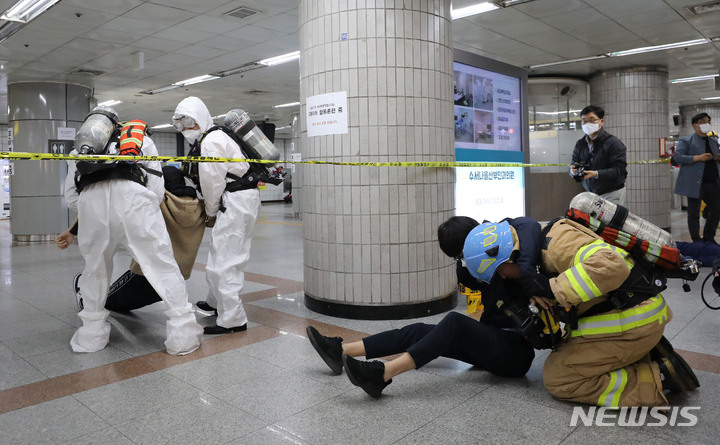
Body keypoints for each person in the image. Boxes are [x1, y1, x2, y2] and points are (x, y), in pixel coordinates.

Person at [306, 216, 539, 398]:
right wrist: (464, 263)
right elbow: (467, 280)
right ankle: (341, 351)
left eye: (463, 255)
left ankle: (382, 374)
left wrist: (528, 273)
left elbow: (530, 225)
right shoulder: (473, 268)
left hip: (515, 352)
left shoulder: (509, 255)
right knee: (418, 331)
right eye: (459, 258)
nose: (465, 261)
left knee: (455, 322)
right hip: (489, 341)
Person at [491, 216, 699, 407]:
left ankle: (658, 378)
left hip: (636, 320)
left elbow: (612, 265)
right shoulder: (543, 242)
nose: (504, 278)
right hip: (633, 313)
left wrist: (550, 288)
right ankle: (643, 354)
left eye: (500, 272)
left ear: (507, 257)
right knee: (566, 353)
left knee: (560, 378)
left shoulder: (558, 244)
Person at [64, 123, 203, 355]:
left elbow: (70, 198)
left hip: (91, 202)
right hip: (135, 201)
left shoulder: (78, 151)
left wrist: (93, 207)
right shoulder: (140, 141)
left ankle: (91, 337)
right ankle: (183, 337)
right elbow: (157, 189)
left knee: (95, 270)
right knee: (161, 266)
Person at [59, 166, 209, 313]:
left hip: (144, 275)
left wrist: (72, 230)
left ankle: (84, 300)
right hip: (177, 278)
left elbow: (109, 208)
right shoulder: (201, 208)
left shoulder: (158, 201)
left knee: (108, 299)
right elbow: (215, 217)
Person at [173, 96, 260, 334]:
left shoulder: (211, 142)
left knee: (225, 261)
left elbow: (212, 184)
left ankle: (233, 319)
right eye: (181, 124)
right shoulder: (216, 135)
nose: (186, 128)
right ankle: (215, 302)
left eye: (189, 122)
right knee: (221, 252)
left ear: (200, 118)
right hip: (240, 199)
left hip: (235, 202)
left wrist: (210, 211)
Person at [672, 112, 720, 243]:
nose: (706, 124)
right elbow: (677, 157)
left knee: (717, 210)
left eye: (708, 122)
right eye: (703, 122)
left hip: (713, 182)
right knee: (693, 213)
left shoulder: (713, 141)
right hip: (695, 183)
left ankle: (709, 237)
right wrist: (697, 158)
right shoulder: (686, 141)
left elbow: (715, 156)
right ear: (695, 125)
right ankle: (696, 239)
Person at [570, 105, 628, 206]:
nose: (587, 124)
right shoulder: (580, 144)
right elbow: (573, 164)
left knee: (608, 217)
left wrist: (596, 174)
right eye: (584, 121)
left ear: (601, 122)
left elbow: (619, 171)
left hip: (611, 193)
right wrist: (572, 171)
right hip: (591, 194)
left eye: (592, 120)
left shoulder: (613, 143)